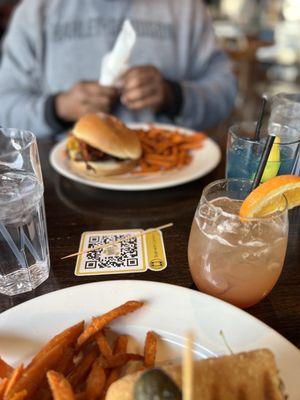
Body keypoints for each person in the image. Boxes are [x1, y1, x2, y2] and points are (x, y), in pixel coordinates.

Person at [0, 0, 236, 137]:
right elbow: (5, 106)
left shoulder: (187, 9)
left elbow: (225, 91)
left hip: (174, 179)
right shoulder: (35, 12)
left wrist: (172, 95)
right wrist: (58, 108)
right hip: (62, 187)